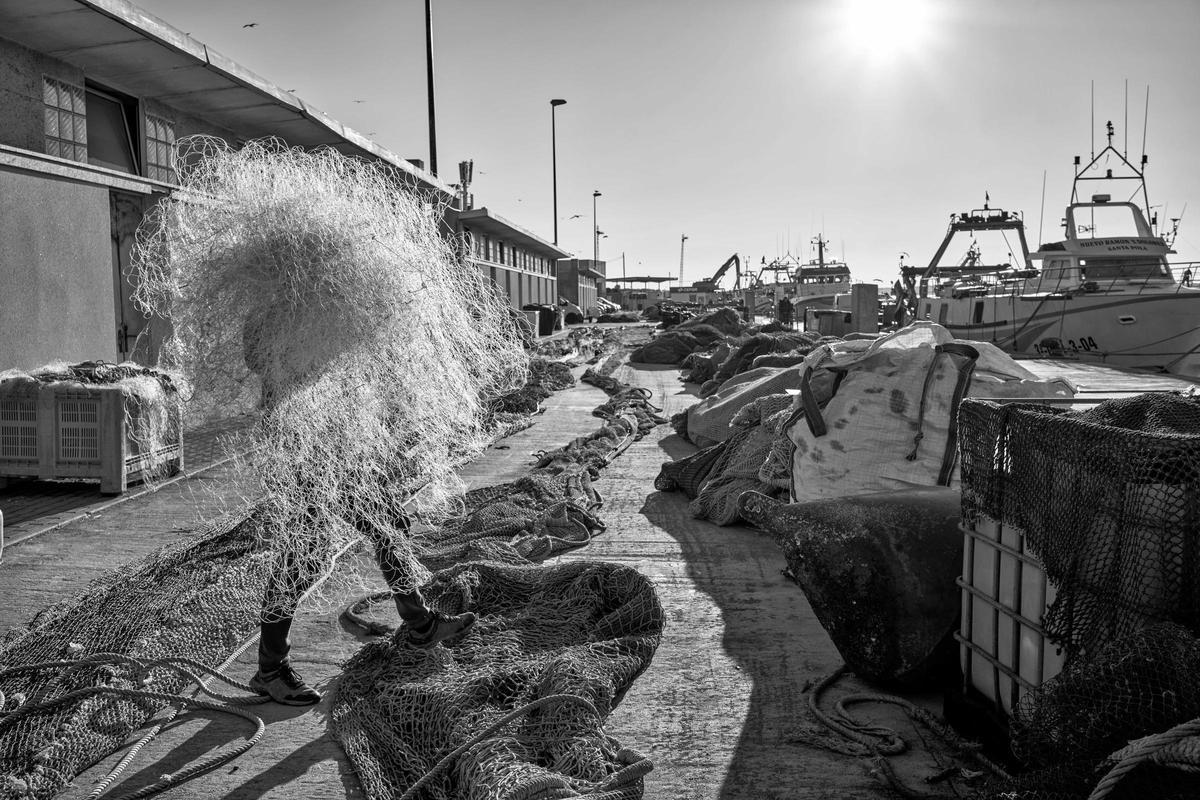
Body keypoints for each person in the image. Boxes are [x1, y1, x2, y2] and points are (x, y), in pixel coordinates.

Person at [243, 307, 475, 706]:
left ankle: (421, 624)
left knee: (387, 523)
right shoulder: (273, 306)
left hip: (337, 443)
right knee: (303, 558)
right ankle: (270, 669)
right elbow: (258, 358)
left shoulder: (329, 301)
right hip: (298, 449)